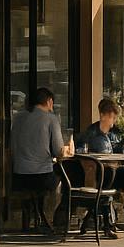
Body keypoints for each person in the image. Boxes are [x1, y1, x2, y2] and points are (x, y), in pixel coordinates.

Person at [76, 97, 124, 237]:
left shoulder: (115, 133)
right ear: (102, 115)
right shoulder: (91, 133)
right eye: (111, 117)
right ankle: (108, 224)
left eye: (115, 117)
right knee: (111, 172)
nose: (113, 121)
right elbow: (80, 151)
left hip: (113, 170)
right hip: (99, 173)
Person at [10, 87, 74, 231]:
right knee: (63, 179)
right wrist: (67, 149)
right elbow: (58, 151)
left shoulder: (18, 118)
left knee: (37, 186)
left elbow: (12, 146)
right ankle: (50, 218)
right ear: (49, 101)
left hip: (19, 176)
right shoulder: (50, 118)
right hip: (42, 176)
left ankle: (35, 216)